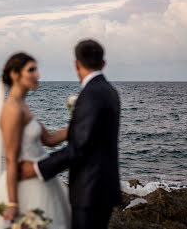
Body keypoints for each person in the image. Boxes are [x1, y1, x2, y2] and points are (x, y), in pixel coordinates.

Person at [20, 39, 122, 229]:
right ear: (103, 63)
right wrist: (50, 136)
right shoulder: (110, 92)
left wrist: (37, 169)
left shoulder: (91, 94)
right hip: (103, 188)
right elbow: (90, 135)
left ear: (76, 64)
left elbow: (80, 148)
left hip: (90, 190)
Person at [0, 52, 71, 229]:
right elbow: (11, 159)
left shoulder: (22, 106)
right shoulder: (11, 110)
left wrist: (79, 125)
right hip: (26, 185)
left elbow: (49, 139)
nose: (37, 75)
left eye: (37, 69)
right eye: (31, 70)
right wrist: (13, 204)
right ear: (15, 74)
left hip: (41, 178)